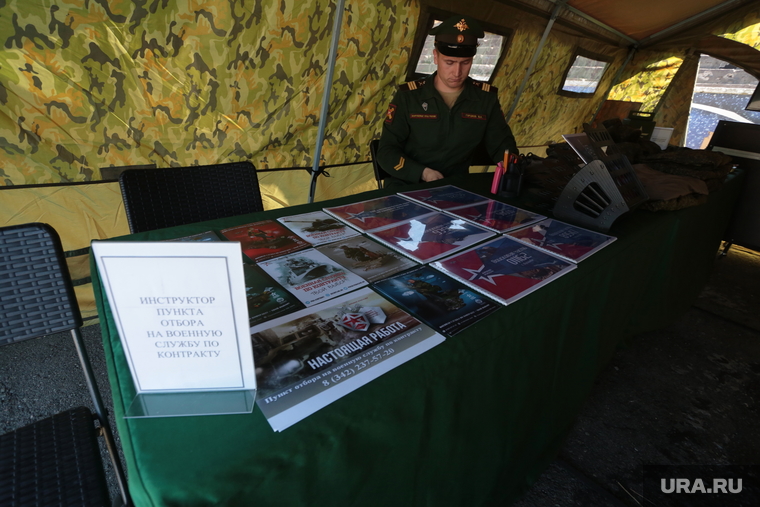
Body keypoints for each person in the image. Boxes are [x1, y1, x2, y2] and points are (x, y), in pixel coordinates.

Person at [376, 15, 518, 187]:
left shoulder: (484, 99)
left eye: (465, 63)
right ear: (435, 57)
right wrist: (422, 172)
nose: (457, 72)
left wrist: (512, 168)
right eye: (449, 62)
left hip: (455, 187)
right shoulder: (409, 97)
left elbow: (502, 145)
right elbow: (386, 152)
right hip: (407, 185)